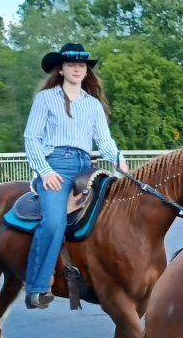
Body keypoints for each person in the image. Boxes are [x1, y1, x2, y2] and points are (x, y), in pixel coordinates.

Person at [21, 43, 127, 310]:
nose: (77, 69)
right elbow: (31, 137)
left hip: (86, 164)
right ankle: (36, 286)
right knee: (55, 221)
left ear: (86, 70)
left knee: (118, 211)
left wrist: (119, 161)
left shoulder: (93, 105)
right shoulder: (45, 99)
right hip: (56, 164)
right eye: (71, 65)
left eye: (82, 65)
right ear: (61, 69)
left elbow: (103, 140)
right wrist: (45, 171)